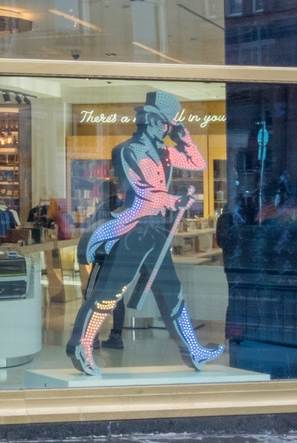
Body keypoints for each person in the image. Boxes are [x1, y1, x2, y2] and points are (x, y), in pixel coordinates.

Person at [67, 91, 222, 376]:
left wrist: (184, 135)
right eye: (165, 123)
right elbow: (147, 194)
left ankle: (193, 350)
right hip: (134, 230)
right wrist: (175, 201)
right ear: (151, 120)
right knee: (109, 293)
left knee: (172, 293)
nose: (167, 128)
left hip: (155, 231)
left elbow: (197, 162)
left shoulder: (163, 150)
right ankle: (82, 345)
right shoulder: (131, 150)